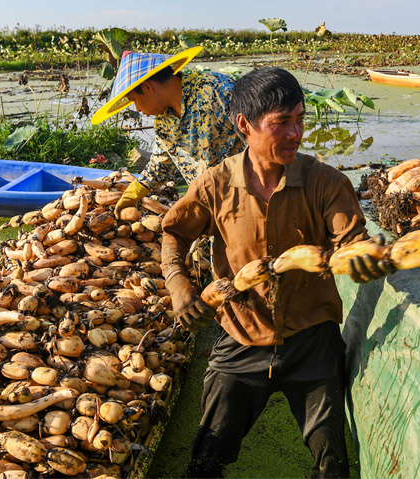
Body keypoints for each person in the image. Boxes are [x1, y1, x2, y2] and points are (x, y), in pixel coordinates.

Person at [160, 67, 393, 478]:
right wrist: (179, 283)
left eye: (300, 119)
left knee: (332, 464)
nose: (295, 133)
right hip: (241, 335)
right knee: (206, 459)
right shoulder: (215, 184)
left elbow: (351, 240)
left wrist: (361, 256)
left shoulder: (327, 183)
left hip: (311, 339)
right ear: (244, 125)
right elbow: (174, 233)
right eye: (281, 123)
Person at [91, 46, 245, 217]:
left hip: (250, 197)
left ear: (148, 88)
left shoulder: (217, 90)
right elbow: (161, 163)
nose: (137, 108)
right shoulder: (163, 121)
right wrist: (134, 192)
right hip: (213, 207)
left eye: (134, 100)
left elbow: (263, 138)